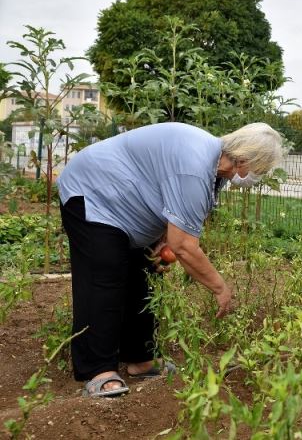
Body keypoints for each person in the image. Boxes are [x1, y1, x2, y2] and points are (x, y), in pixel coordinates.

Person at [57, 122, 283, 397]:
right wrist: (220, 287)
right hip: (95, 192)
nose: (256, 177)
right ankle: (97, 370)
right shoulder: (196, 164)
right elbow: (185, 246)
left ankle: (140, 358)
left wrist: (167, 232)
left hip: (126, 204)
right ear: (246, 161)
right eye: (260, 170)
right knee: (104, 278)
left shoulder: (214, 168)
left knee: (143, 276)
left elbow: (177, 212)